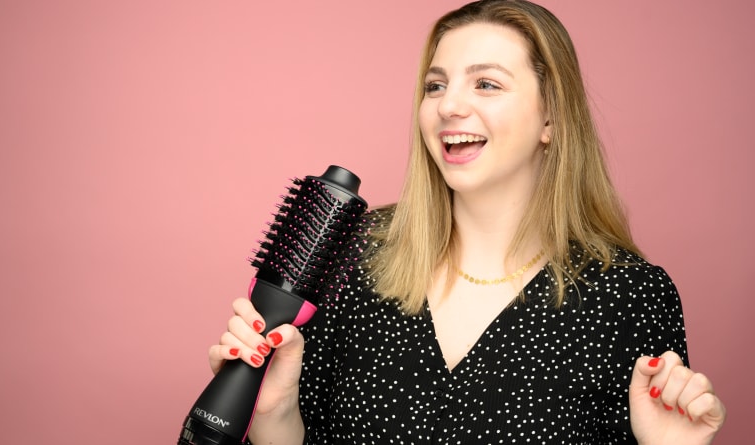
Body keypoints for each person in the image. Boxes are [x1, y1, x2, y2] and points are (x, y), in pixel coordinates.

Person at [210, 1, 726, 443]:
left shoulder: (632, 297)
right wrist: (274, 415)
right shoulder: (350, 254)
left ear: (552, 118)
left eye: (486, 83)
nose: (449, 105)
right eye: (436, 86)